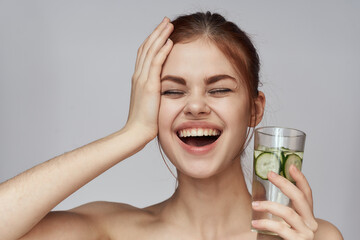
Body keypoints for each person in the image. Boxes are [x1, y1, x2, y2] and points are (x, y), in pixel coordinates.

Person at [0, 11, 343, 240]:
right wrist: (130, 135)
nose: (195, 106)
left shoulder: (314, 235)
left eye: (219, 89)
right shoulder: (109, 231)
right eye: (173, 91)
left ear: (255, 110)